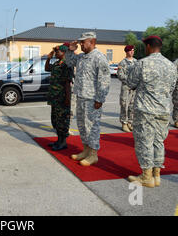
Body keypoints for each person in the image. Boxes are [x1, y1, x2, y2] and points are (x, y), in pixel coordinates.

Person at [126, 35, 177, 188]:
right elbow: (171, 88)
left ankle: (146, 177)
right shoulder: (171, 65)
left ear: (148, 47)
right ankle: (157, 175)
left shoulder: (142, 63)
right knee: (158, 142)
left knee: (144, 142)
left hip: (145, 110)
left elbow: (131, 83)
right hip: (163, 110)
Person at [65, 32, 111, 166]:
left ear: (92, 41)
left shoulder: (99, 57)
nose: (80, 44)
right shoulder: (81, 57)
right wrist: (70, 50)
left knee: (92, 127)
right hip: (81, 96)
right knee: (83, 126)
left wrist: (100, 99)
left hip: (92, 99)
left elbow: (104, 81)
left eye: (83, 42)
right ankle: (86, 150)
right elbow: (68, 62)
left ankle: (93, 154)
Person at [45, 44, 73, 151]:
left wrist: (67, 98)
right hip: (55, 97)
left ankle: (63, 142)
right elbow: (47, 68)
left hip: (62, 97)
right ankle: (58, 140)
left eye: (58, 52)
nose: (56, 53)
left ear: (64, 53)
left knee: (62, 120)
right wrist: (49, 58)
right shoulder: (57, 63)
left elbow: (67, 83)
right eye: (55, 52)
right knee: (56, 120)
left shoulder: (66, 64)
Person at [117, 45, 137, 132]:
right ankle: (124, 123)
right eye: (130, 50)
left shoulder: (136, 62)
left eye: (133, 50)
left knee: (132, 105)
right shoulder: (122, 63)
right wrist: (129, 81)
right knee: (124, 104)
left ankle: (130, 122)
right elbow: (120, 75)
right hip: (126, 86)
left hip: (134, 87)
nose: (132, 52)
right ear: (126, 52)